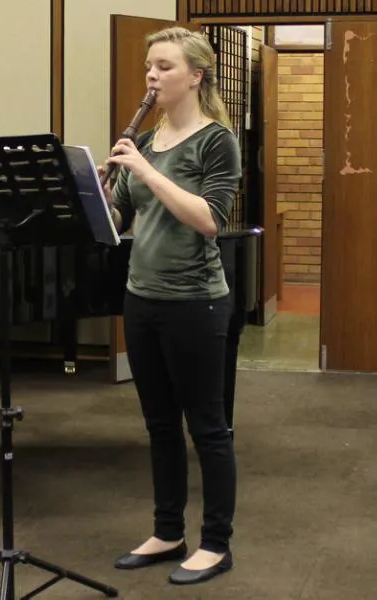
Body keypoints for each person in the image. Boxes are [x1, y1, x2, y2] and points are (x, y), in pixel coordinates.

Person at [100, 27, 241, 585]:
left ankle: (216, 543)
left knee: (208, 426)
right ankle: (167, 530)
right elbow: (119, 221)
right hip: (142, 298)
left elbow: (211, 219)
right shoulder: (147, 139)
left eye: (163, 67)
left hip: (195, 303)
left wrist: (145, 171)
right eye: (149, 67)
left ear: (196, 76)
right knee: (159, 425)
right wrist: (98, 191)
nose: (151, 76)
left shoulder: (215, 141)